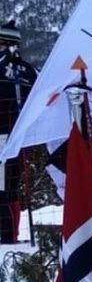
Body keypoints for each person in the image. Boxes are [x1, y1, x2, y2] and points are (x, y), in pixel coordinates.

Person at [0, 20, 37, 244]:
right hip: (18, 138)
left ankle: (5, 239)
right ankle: (10, 237)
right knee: (11, 189)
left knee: (2, 192)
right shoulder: (29, 71)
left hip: (3, 137)